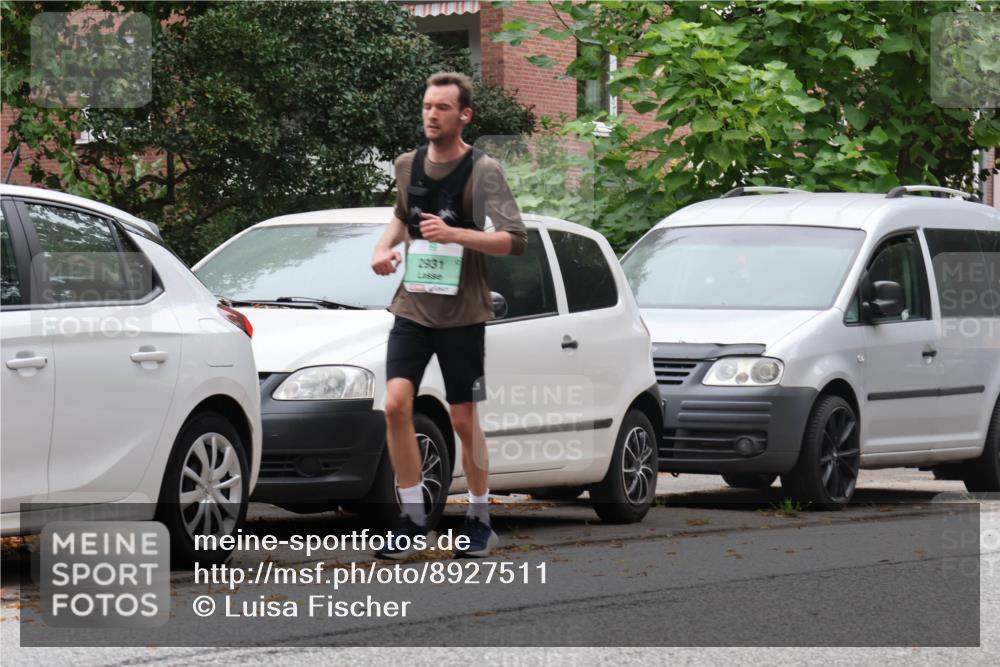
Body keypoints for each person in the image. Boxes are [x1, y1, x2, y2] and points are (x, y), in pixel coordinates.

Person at [370, 71, 527, 559]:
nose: (431, 115)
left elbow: (514, 239)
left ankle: (480, 516)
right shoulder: (407, 165)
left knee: (463, 420)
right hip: (413, 307)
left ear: (464, 115)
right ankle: (413, 517)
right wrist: (384, 248)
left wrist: (457, 235)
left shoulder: (483, 171)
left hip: (463, 315)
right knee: (396, 404)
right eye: (426, 106)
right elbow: (402, 214)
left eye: (442, 108)